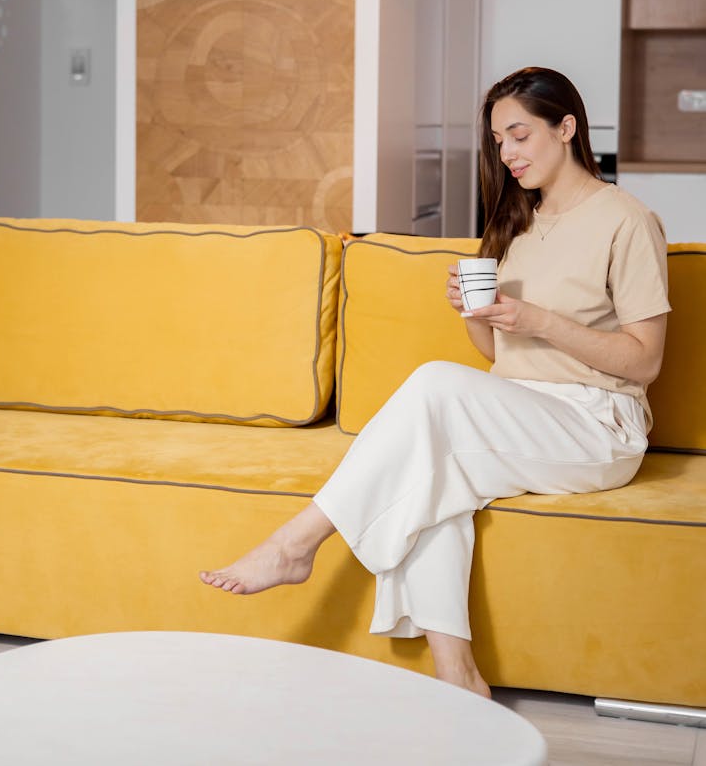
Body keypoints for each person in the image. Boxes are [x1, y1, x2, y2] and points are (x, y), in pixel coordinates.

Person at [199, 66, 670, 698]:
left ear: (566, 128)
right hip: (522, 411)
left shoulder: (627, 220)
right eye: (498, 142)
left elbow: (644, 362)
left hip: (595, 425)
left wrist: (540, 320)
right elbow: (498, 352)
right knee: (429, 478)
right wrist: (477, 314)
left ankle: (296, 543)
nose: (507, 155)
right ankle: (460, 678)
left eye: (520, 136)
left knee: (431, 391)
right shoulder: (517, 223)